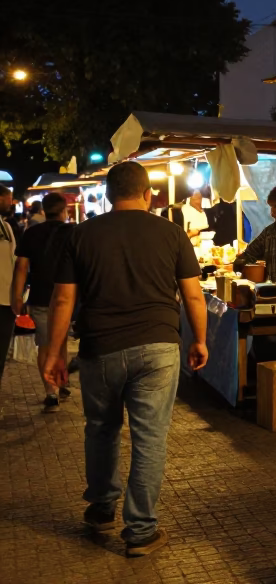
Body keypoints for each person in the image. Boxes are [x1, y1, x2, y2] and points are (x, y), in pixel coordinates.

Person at [44, 162, 207, 556]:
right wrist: (200, 340)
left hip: (100, 347)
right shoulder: (171, 233)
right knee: (150, 438)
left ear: (107, 194)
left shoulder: (82, 234)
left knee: (101, 428)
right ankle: (140, 531)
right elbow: (193, 294)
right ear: (148, 194)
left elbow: (63, 299)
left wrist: (54, 353)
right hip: (158, 346)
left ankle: (102, 508)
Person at [11, 192, 75, 412]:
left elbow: (21, 266)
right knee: (60, 341)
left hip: (40, 296)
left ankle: (52, 390)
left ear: (43, 211)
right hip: (68, 298)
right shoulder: (73, 232)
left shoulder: (32, 233)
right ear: (64, 210)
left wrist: (16, 296)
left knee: (46, 344)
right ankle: (57, 386)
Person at [0, 186, 17, 403]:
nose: (11, 203)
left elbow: (14, 261)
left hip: (6, 300)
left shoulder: (6, 227)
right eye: (8, 199)